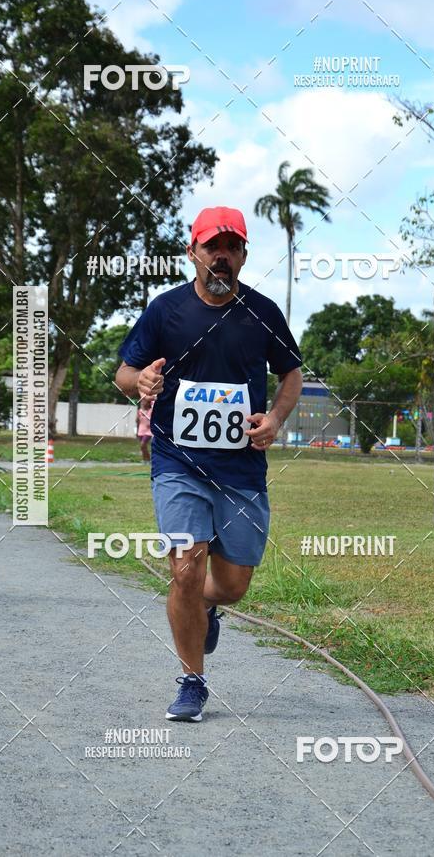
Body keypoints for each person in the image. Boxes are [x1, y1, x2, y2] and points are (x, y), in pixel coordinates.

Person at [116, 206, 303, 722]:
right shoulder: (166, 311)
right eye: (212, 246)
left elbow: (291, 374)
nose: (222, 256)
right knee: (184, 570)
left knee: (234, 583)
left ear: (243, 256)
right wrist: (142, 384)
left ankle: (210, 606)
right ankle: (192, 681)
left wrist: (276, 420)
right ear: (193, 252)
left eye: (232, 247)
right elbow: (125, 372)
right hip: (177, 462)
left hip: (241, 471)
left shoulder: (263, 312)